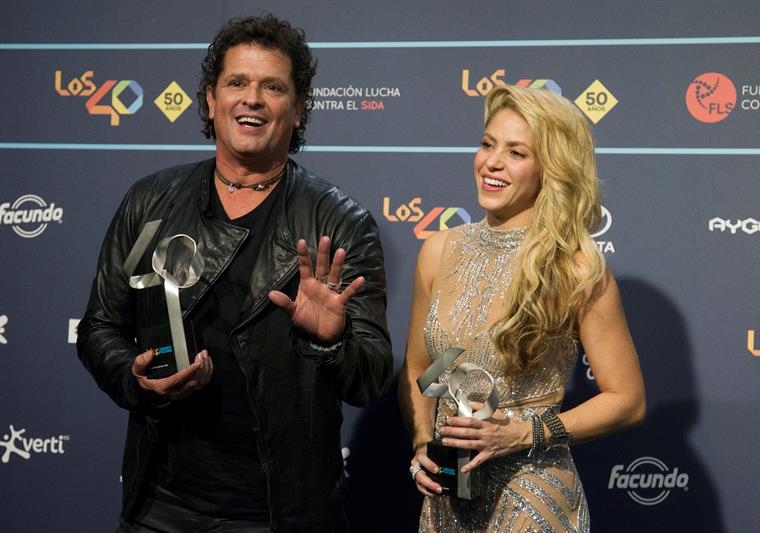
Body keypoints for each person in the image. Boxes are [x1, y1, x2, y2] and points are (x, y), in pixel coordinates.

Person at [77, 14, 393, 533]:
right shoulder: (150, 201)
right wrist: (136, 380)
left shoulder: (339, 221)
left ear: (298, 109)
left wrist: (332, 343)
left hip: (281, 512)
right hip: (162, 503)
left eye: (272, 86)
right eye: (237, 83)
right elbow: (99, 328)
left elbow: (373, 376)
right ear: (209, 100)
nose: (252, 99)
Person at [398, 85, 646, 532]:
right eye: (488, 144)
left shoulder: (573, 267)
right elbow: (419, 369)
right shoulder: (438, 250)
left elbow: (626, 400)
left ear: (549, 167)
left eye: (516, 153)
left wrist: (525, 432)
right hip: (450, 496)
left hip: (533, 495)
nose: (491, 162)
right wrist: (422, 446)